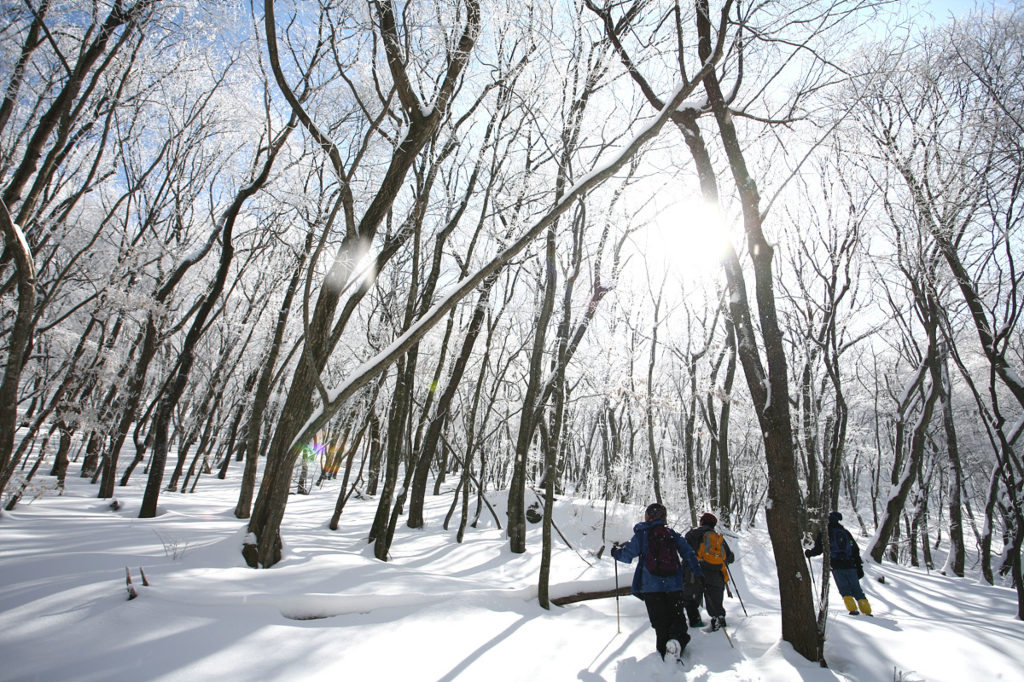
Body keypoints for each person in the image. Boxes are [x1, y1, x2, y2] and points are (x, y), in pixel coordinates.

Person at [612, 503, 703, 664]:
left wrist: (615, 553)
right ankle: (676, 642)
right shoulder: (672, 534)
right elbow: (688, 553)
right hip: (674, 586)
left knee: (660, 622)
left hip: (651, 587)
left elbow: (627, 556)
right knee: (677, 618)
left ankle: (663, 655)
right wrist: (698, 572)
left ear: (648, 516)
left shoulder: (642, 534)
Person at [805, 511, 872, 616]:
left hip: (836, 566)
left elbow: (819, 549)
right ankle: (867, 612)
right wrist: (858, 566)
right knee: (857, 589)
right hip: (850, 565)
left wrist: (809, 553)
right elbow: (855, 549)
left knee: (844, 589)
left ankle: (853, 610)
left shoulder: (826, 532)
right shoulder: (845, 532)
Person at [683, 512, 735, 631]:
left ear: (702, 522)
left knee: (690, 601)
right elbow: (730, 558)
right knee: (716, 606)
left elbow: (684, 552)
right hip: (716, 576)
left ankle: (695, 627)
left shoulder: (693, 534)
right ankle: (719, 628)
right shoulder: (718, 538)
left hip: (695, 575)